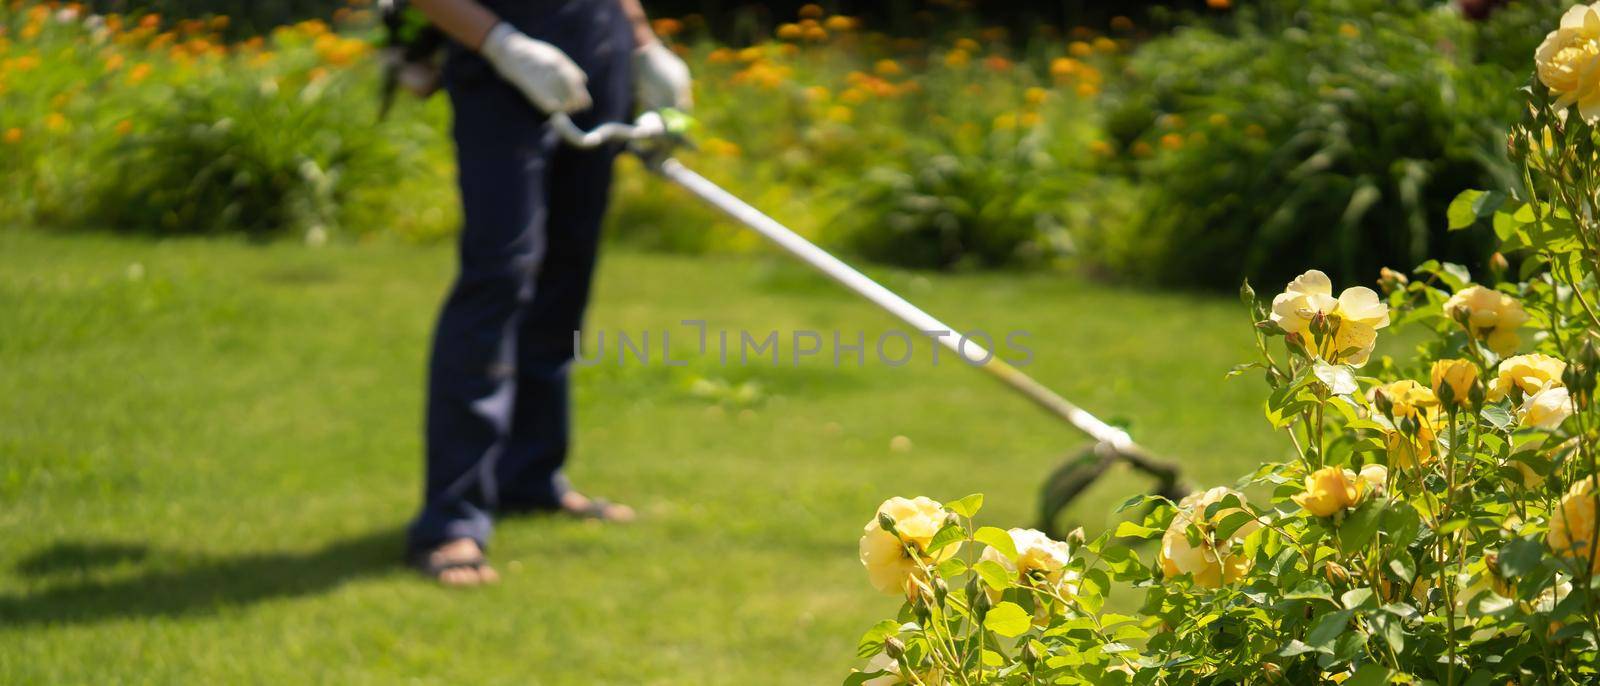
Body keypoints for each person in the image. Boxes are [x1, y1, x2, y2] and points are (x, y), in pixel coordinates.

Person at [406, 0, 692, 586]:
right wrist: (501, 43)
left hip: (598, 45)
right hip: (505, 53)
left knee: (566, 277)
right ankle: (452, 521)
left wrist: (641, 41)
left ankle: (529, 479)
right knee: (499, 276)